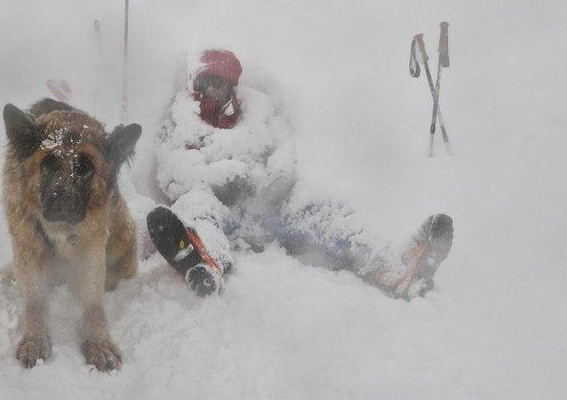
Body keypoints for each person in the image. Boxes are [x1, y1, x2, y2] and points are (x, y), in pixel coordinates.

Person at [145, 48, 453, 298]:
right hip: (221, 212)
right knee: (195, 208)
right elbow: (174, 172)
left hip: (267, 211)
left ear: (231, 86)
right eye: (209, 83)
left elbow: (285, 150)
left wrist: (277, 179)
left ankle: (395, 267)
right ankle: (203, 261)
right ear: (196, 84)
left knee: (324, 212)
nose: (215, 90)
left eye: (221, 84)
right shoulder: (181, 119)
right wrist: (224, 178)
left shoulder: (257, 110)